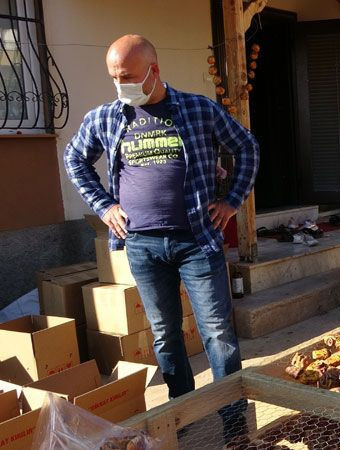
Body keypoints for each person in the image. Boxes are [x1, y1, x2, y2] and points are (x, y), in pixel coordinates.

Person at [64, 35, 258, 438]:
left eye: (129, 77)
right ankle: (183, 415)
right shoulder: (106, 117)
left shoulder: (198, 109)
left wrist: (232, 200)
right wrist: (104, 206)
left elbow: (247, 148)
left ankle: (234, 423)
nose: (122, 86)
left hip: (197, 241)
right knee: (166, 335)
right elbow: (75, 159)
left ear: (154, 71)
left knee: (218, 333)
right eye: (115, 78)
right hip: (142, 246)